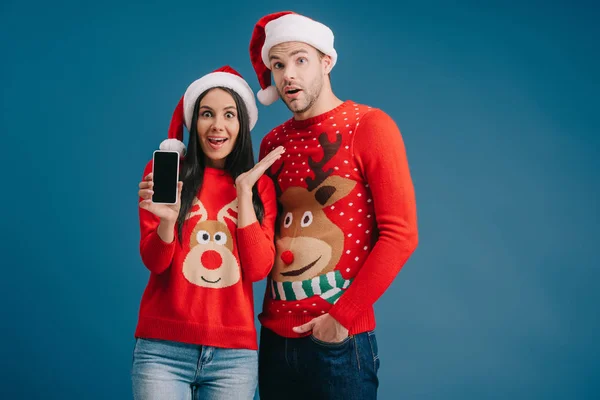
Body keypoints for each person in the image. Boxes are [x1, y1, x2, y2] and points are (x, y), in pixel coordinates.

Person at [247, 12, 419, 399]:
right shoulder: (271, 143)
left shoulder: (369, 126)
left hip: (338, 343)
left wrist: (341, 319)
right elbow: (261, 234)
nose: (288, 74)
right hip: (274, 340)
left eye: (300, 60)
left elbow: (401, 234)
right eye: (278, 64)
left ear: (326, 61)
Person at [131, 65, 284, 399]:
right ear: (193, 123)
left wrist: (245, 194)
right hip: (162, 350)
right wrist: (168, 222)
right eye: (207, 114)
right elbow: (155, 263)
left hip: (234, 356)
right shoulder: (165, 176)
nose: (218, 125)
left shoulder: (261, 189)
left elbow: (258, 270)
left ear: (242, 125)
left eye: (229, 115)